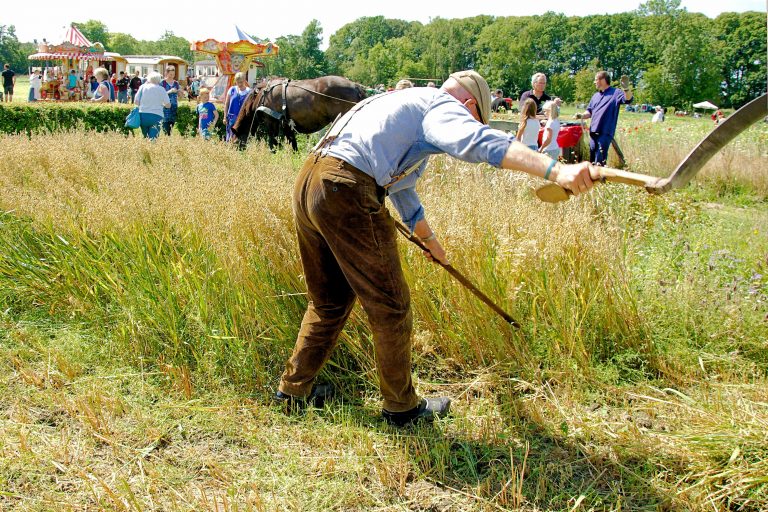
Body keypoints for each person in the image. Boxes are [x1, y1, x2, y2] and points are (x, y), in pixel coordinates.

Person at [275, 69, 597, 427]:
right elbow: (478, 143)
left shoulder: (400, 102)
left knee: (329, 301)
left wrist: (431, 242)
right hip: (345, 186)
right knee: (390, 307)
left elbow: (400, 188)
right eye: (470, 118)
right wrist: (554, 170)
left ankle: (292, 391)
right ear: (469, 105)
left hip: (311, 181)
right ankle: (402, 409)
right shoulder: (440, 105)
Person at [574, 71, 633, 166]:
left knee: (600, 160)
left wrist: (626, 89)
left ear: (603, 80)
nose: (594, 82)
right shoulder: (595, 96)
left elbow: (628, 99)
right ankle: (592, 179)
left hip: (605, 132)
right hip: (593, 131)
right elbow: (589, 112)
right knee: (592, 159)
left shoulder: (616, 93)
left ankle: (601, 180)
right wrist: (581, 115)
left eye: (596, 80)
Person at [134, 71, 171, 140]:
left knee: (145, 137)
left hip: (143, 114)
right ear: (159, 79)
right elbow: (168, 105)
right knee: (153, 139)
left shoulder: (142, 87)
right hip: (156, 115)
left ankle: (144, 150)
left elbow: (136, 101)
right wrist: (163, 105)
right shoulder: (161, 89)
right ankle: (152, 150)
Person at [223, 72, 250, 141]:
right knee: (230, 138)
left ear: (244, 80)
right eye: (238, 82)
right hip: (231, 119)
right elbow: (226, 104)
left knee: (240, 139)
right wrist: (225, 117)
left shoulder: (249, 91)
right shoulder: (232, 90)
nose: (239, 84)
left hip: (243, 120)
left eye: (241, 82)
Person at [160, 66, 180, 136]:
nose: (172, 76)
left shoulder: (176, 83)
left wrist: (180, 92)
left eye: (173, 74)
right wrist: (170, 91)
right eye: (170, 74)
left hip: (174, 107)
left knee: (172, 124)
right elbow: (159, 95)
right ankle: (166, 138)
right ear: (166, 73)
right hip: (165, 107)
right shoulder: (162, 83)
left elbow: (180, 95)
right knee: (165, 124)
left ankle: (168, 138)